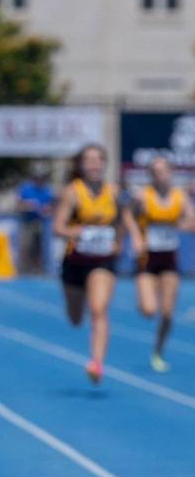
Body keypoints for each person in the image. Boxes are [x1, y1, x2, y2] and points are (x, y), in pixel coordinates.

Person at [53, 144, 126, 384]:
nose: (94, 164)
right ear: (81, 165)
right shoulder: (72, 192)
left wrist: (118, 241)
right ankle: (76, 300)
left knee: (98, 309)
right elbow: (58, 227)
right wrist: (76, 232)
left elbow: (122, 222)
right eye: (89, 160)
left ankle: (96, 363)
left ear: (105, 164)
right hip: (75, 261)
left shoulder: (114, 191)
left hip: (103, 260)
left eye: (98, 160)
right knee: (76, 319)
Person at [123, 156, 194, 373]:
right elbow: (127, 215)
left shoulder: (179, 197)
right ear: (150, 175)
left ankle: (158, 352)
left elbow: (191, 220)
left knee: (167, 312)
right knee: (148, 309)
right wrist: (135, 235)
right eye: (155, 171)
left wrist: (182, 224)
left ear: (170, 173)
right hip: (147, 259)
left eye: (163, 170)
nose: (160, 175)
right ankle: (144, 298)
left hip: (169, 259)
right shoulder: (142, 196)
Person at [17, 167, 55, 273]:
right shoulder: (26, 188)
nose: (39, 180)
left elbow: (52, 206)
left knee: (38, 245)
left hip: (40, 221)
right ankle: (24, 267)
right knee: (26, 244)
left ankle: (38, 268)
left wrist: (47, 209)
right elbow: (18, 205)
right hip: (27, 221)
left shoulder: (47, 189)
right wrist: (28, 206)